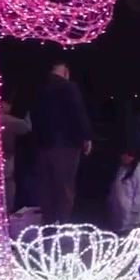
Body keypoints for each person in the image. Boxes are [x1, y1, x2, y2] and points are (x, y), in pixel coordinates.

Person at [31, 62, 92, 223]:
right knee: (65, 188)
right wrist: (86, 137)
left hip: (43, 146)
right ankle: (63, 228)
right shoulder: (69, 88)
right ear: (65, 72)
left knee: (47, 189)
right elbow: (78, 111)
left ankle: (48, 227)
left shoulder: (40, 89)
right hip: (66, 146)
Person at [0, 98, 32, 212]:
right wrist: (30, 112)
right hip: (5, 160)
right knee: (8, 194)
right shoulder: (4, 119)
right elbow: (26, 127)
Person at [109, 151, 140, 233]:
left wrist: (134, 211)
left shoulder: (139, 171)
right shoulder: (122, 169)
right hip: (118, 213)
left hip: (131, 217)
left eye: (126, 155)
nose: (123, 157)